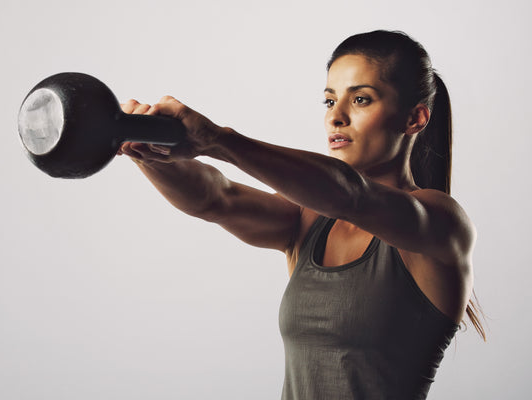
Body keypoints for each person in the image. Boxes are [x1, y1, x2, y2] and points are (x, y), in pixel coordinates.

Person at [117, 30, 485, 399]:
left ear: (415, 119)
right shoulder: (308, 219)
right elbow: (216, 198)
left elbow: (352, 195)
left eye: (360, 99)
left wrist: (218, 140)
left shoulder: (441, 223)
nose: (336, 117)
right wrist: (145, 150)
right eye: (329, 101)